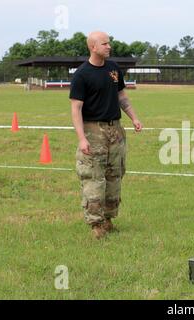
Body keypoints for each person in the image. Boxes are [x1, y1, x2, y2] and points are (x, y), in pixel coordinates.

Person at [70, 31, 142, 239]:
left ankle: (109, 220)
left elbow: (122, 97)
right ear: (93, 47)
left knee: (114, 175)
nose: (109, 46)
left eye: (109, 43)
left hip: (115, 130)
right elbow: (76, 109)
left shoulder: (113, 69)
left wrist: (134, 118)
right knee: (94, 177)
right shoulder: (82, 74)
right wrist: (82, 138)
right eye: (105, 43)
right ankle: (96, 225)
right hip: (94, 131)